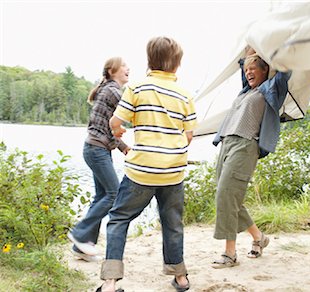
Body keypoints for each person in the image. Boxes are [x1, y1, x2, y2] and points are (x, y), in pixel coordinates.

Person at [97, 36, 197, 292]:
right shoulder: (185, 95)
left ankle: (110, 282)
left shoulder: (138, 88)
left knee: (119, 218)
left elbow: (115, 122)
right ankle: (181, 276)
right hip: (173, 172)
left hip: (141, 170)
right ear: (177, 65)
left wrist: (119, 132)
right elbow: (188, 135)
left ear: (149, 61)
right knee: (173, 223)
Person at [211, 47, 291, 268]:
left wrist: (273, 48)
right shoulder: (245, 92)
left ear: (266, 71)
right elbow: (243, 68)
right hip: (227, 142)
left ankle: (229, 253)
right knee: (228, 196)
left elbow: (284, 71)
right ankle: (259, 238)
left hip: (246, 145)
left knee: (226, 194)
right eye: (246, 70)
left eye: (253, 68)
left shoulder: (271, 90)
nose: (248, 73)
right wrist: (247, 57)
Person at [68, 57, 130, 262]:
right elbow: (130, 113)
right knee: (114, 193)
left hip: (96, 149)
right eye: (124, 66)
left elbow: (110, 130)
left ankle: (83, 247)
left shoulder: (108, 90)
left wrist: (125, 149)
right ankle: (79, 232)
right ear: (113, 71)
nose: (128, 69)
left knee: (101, 196)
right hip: (96, 150)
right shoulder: (113, 91)